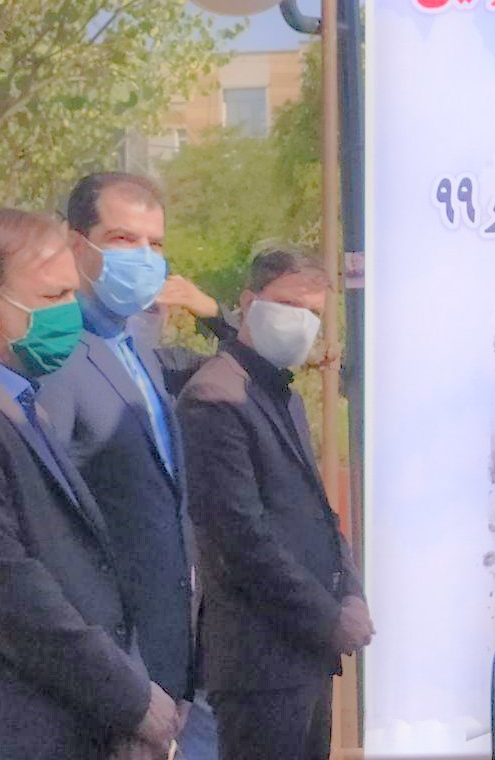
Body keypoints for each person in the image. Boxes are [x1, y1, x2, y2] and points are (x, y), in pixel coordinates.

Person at [0, 209, 178, 760]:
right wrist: (132, 702)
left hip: (80, 726)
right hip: (18, 734)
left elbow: (87, 572)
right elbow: (11, 594)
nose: (70, 313)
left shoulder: (17, 399)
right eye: (53, 296)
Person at [178, 247, 372, 760]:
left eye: (312, 313)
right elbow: (241, 539)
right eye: (288, 305)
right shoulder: (214, 397)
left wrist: (351, 591)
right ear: (248, 302)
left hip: (305, 661)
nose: (300, 322)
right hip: (258, 666)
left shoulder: (283, 396)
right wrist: (328, 618)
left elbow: (317, 513)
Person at [37, 173, 197, 746]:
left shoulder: (139, 353)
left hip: (165, 670)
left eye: (155, 244)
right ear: (75, 243)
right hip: (104, 684)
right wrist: (119, 682)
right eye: (124, 239)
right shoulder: (53, 358)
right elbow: (47, 536)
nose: (144, 257)